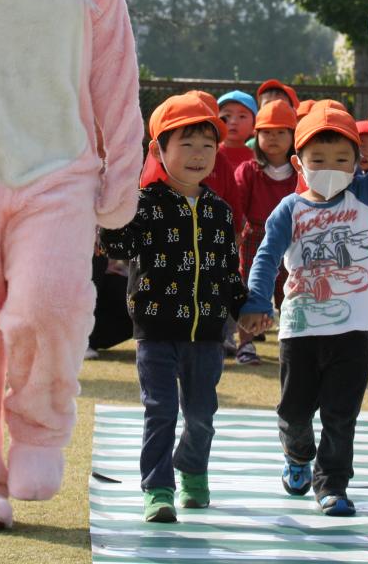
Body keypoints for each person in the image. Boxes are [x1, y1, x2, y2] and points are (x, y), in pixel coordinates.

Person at [243, 75, 368, 517]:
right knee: (295, 412)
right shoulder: (291, 208)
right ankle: (298, 455)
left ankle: (333, 486)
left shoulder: (366, 193)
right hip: (301, 330)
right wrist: (255, 301)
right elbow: (267, 257)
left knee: (342, 415)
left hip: (351, 329)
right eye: (319, 157)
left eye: (342, 159)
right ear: (299, 163)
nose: (331, 167)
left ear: (357, 166)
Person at [99, 94, 255, 523]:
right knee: (161, 410)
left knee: (202, 414)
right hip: (154, 331)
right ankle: (159, 488)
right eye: (186, 144)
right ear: (158, 150)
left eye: (207, 146)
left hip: (207, 335)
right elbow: (115, 244)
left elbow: (227, 272)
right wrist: (110, 199)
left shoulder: (220, 212)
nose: (198, 155)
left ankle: (193, 470)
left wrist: (244, 309)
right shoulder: (142, 204)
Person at [232, 100, 299, 365]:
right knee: (250, 289)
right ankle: (245, 344)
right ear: (256, 135)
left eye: (281, 132)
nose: (273, 138)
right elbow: (237, 207)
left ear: (294, 136)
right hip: (255, 237)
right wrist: (235, 235)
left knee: (291, 290)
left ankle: (291, 342)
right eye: (267, 132)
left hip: (295, 237)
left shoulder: (301, 172)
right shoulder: (248, 170)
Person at [217, 90, 258, 170]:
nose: (233, 122)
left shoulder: (258, 160)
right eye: (227, 115)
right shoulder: (207, 155)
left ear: (254, 125)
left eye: (242, 116)